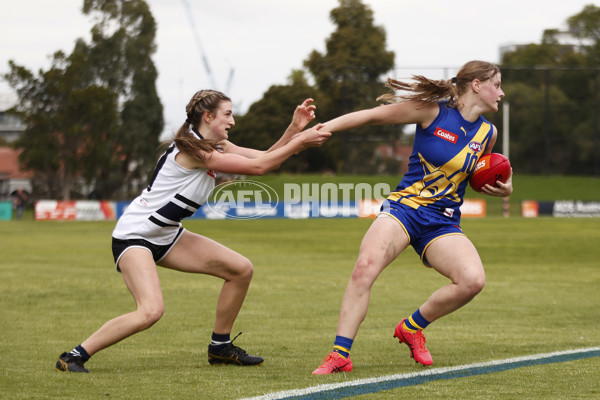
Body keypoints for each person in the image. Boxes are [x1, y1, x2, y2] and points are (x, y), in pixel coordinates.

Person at [56, 90, 331, 373]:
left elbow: (264, 157)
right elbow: (260, 167)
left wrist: (294, 130)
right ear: (208, 116)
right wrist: (301, 140)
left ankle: (220, 347)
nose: (232, 121)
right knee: (150, 312)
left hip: (167, 235)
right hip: (135, 237)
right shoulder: (194, 150)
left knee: (240, 270)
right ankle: (73, 356)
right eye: (228, 114)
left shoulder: (215, 144)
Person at [312, 61, 513, 375]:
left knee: (473, 281)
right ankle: (340, 355)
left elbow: (481, 173)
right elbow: (372, 115)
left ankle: (412, 327)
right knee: (365, 267)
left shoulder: (488, 132)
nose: (501, 92)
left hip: (443, 222)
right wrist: (326, 128)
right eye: (497, 84)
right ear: (476, 85)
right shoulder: (431, 112)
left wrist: (505, 186)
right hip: (404, 209)